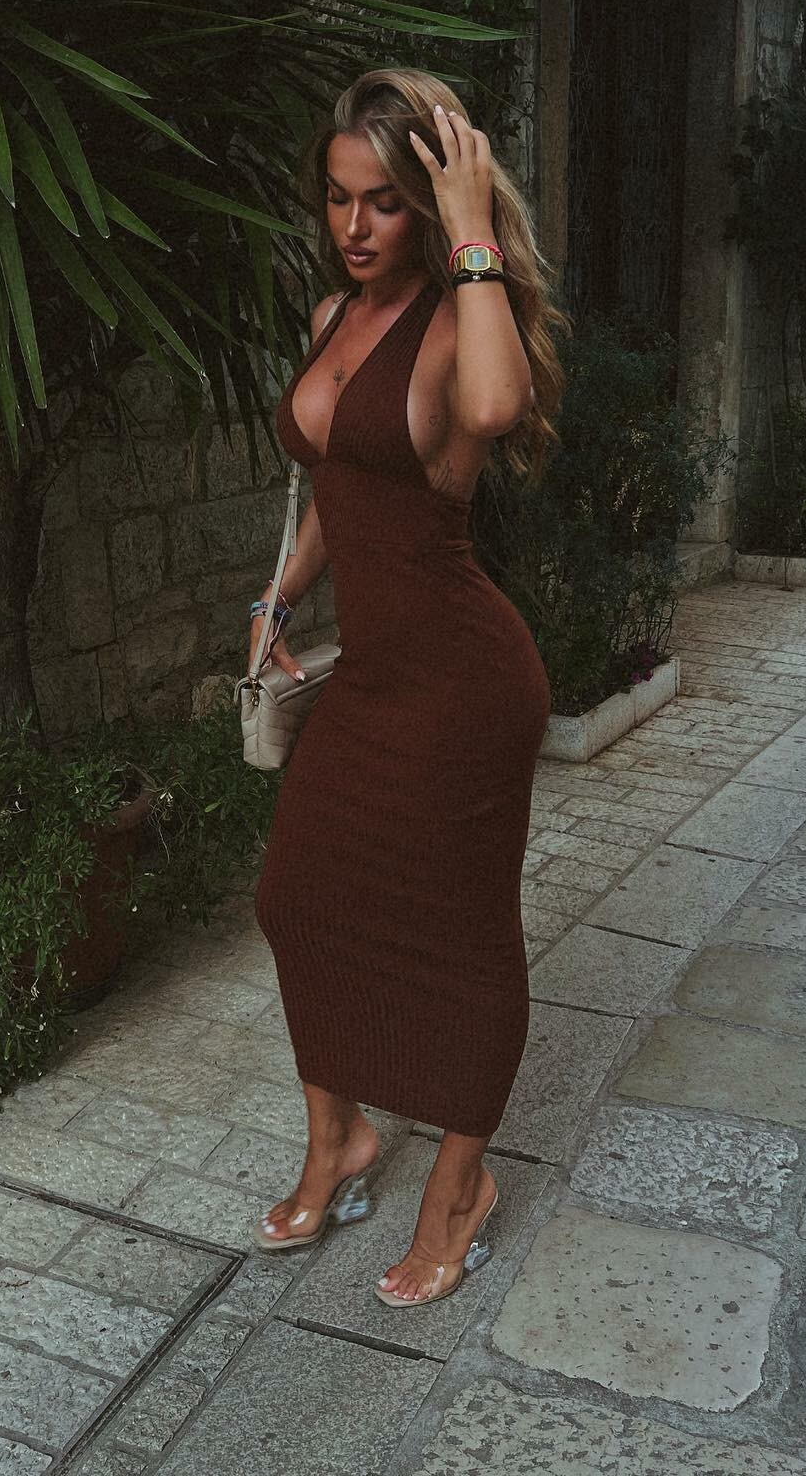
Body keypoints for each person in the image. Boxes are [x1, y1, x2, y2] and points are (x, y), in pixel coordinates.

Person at [248, 67, 567, 1308]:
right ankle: (341, 1139)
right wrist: (280, 598)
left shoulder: (457, 317)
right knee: (294, 896)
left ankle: (459, 1187)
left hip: (465, 681)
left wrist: (474, 225)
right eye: (338, 198)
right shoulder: (337, 311)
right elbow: (341, 482)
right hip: (375, 676)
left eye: (384, 201)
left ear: (430, 205)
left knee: (464, 937)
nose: (354, 225)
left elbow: (494, 405)